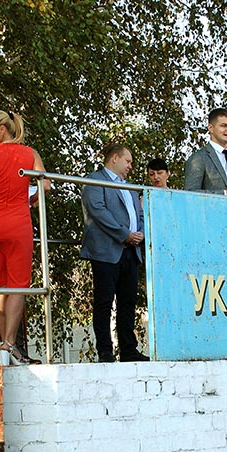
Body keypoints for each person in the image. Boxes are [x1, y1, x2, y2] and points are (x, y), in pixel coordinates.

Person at [0, 110, 50, 366]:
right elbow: (45, 185)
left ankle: (4, 344)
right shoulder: (30, 154)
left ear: (2, 129)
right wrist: (29, 198)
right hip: (18, 222)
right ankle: (8, 343)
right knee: (17, 284)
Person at [80, 143, 149, 363]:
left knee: (128, 303)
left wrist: (140, 233)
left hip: (131, 251)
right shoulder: (95, 180)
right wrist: (124, 234)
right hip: (106, 251)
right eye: (128, 161)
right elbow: (98, 212)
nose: (130, 166)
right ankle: (105, 351)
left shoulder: (130, 187)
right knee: (104, 301)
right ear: (115, 158)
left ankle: (129, 350)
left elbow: (140, 214)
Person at [183, 108, 227, 197]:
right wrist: (225, 194)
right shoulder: (199, 158)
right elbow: (190, 193)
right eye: (224, 126)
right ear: (211, 128)